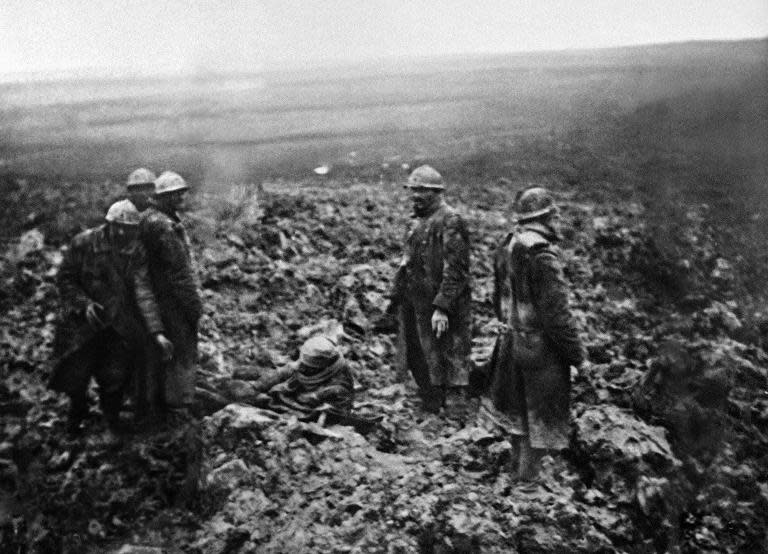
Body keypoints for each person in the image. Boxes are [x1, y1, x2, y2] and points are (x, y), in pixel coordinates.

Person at [480, 186, 583, 479]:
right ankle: (527, 485)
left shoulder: (508, 244)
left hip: (510, 341)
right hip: (540, 349)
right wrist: (578, 357)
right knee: (538, 419)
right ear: (548, 217)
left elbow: (497, 296)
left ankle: (516, 472)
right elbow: (557, 317)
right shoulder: (542, 256)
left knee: (517, 416)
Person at [49, 200, 173, 434]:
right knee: (76, 375)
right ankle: (77, 411)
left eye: (130, 229)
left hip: (115, 324)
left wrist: (157, 333)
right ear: (109, 225)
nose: (125, 233)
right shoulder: (84, 243)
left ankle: (111, 420)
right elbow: (65, 279)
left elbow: (143, 291)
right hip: (81, 325)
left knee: (115, 375)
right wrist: (83, 304)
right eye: (120, 227)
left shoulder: (136, 251)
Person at [384, 165, 471, 413]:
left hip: (443, 303)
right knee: (419, 353)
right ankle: (431, 403)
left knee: (450, 353)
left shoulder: (450, 220)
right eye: (413, 191)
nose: (415, 197)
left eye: (421, 192)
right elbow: (406, 262)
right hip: (416, 300)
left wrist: (442, 306)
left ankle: (456, 412)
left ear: (436, 193)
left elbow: (457, 269)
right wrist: (395, 297)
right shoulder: (416, 222)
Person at [140, 171, 202, 423]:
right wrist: (194, 306)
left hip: (154, 296)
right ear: (163, 197)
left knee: (161, 352)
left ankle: (156, 404)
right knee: (183, 351)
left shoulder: (147, 219)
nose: (181, 198)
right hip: (170, 299)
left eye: (181, 193)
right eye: (175, 194)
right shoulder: (163, 226)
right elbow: (179, 273)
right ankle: (178, 409)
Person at [265, 335, 355, 414]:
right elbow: (288, 371)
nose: (301, 367)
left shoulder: (339, 383)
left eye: (307, 367)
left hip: (316, 402)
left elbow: (337, 410)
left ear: (321, 367)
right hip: (302, 392)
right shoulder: (307, 361)